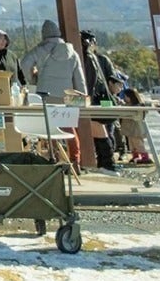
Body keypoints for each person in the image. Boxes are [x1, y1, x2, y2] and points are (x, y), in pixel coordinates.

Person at [17, 20, 86, 166]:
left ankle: (54, 157)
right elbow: (80, 80)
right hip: (68, 96)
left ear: (44, 35)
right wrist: (82, 98)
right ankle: (75, 160)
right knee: (69, 128)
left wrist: (33, 79)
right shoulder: (72, 53)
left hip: (45, 94)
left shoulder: (40, 50)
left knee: (50, 129)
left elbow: (24, 63)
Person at [79, 31, 117, 171]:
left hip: (93, 99)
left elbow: (90, 83)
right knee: (105, 129)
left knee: (101, 129)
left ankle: (106, 162)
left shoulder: (87, 58)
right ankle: (107, 160)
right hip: (102, 98)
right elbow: (112, 79)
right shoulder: (99, 58)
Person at [107, 73, 151, 165]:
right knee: (131, 144)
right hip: (130, 129)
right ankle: (135, 156)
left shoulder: (137, 106)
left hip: (136, 129)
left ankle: (145, 157)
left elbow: (138, 115)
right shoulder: (127, 105)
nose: (125, 98)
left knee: (138, 143)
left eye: (126, 96)